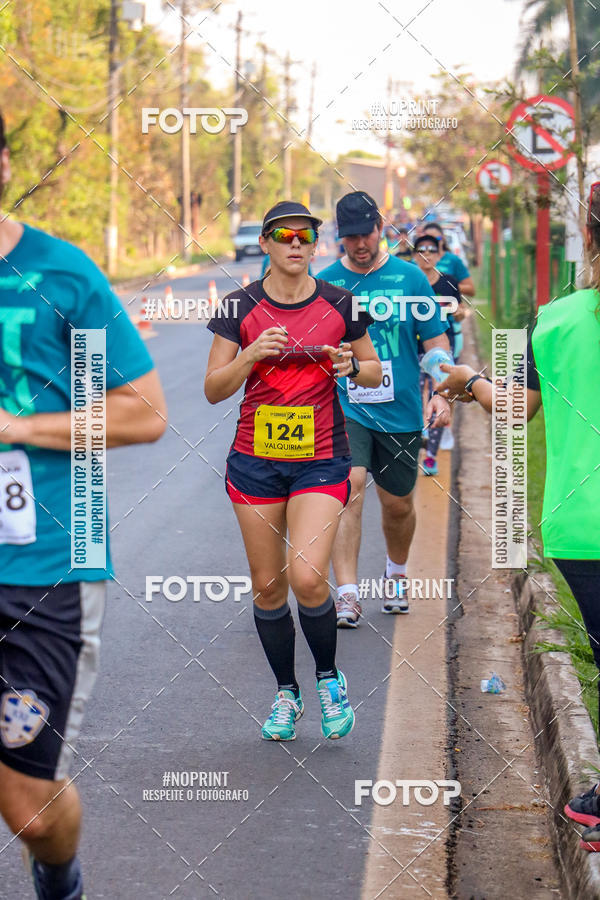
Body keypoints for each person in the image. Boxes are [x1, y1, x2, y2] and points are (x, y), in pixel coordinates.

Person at [0, 111, 167, 900]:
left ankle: (59, 882)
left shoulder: (62, 276)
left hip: (44, 569)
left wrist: (20, 427)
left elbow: (143, 412)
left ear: (6, 166)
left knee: (30, 812)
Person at [436, 180, 600, 853]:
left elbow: (515, 407)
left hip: (579, 524)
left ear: (586, 236)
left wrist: (466, 380)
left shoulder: (556, 322)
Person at [204, 200, 381, 741]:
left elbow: (372, 370)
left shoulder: (338, 303)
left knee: (306, 576)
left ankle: (329, 680)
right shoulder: (240, 309)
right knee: (267, 586)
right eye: (285, 235)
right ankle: (287, 693)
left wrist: (353, 365)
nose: (297, 243)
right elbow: (214, 389)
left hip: (321, 459)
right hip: (255, 463)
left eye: (306, 235)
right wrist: (251, 354)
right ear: (267, 243)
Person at [318, 192, 451, 627]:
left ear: (381, 229)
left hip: (401, 410)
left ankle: (396, 572)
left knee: (397, 505)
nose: (359, 244)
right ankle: (349, 593)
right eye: (350, 237)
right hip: (346, 405)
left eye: (366, 234)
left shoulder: (411, 279)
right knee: (350, 487)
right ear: (341, 237)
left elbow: (434, 343)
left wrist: (442, 390)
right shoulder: (326, 283)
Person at [412, 233, 465, 476]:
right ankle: (415, 444)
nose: (426, 254)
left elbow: (460, 310)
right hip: (413, 347)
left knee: (440, 394)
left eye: (431, 249)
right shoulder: (408, 282)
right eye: (421, 249)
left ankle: (431, 455)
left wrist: (459, 314)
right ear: (414, 255)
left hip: (443, 346)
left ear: (438, 253)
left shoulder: (449, 282)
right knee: (417, 395)